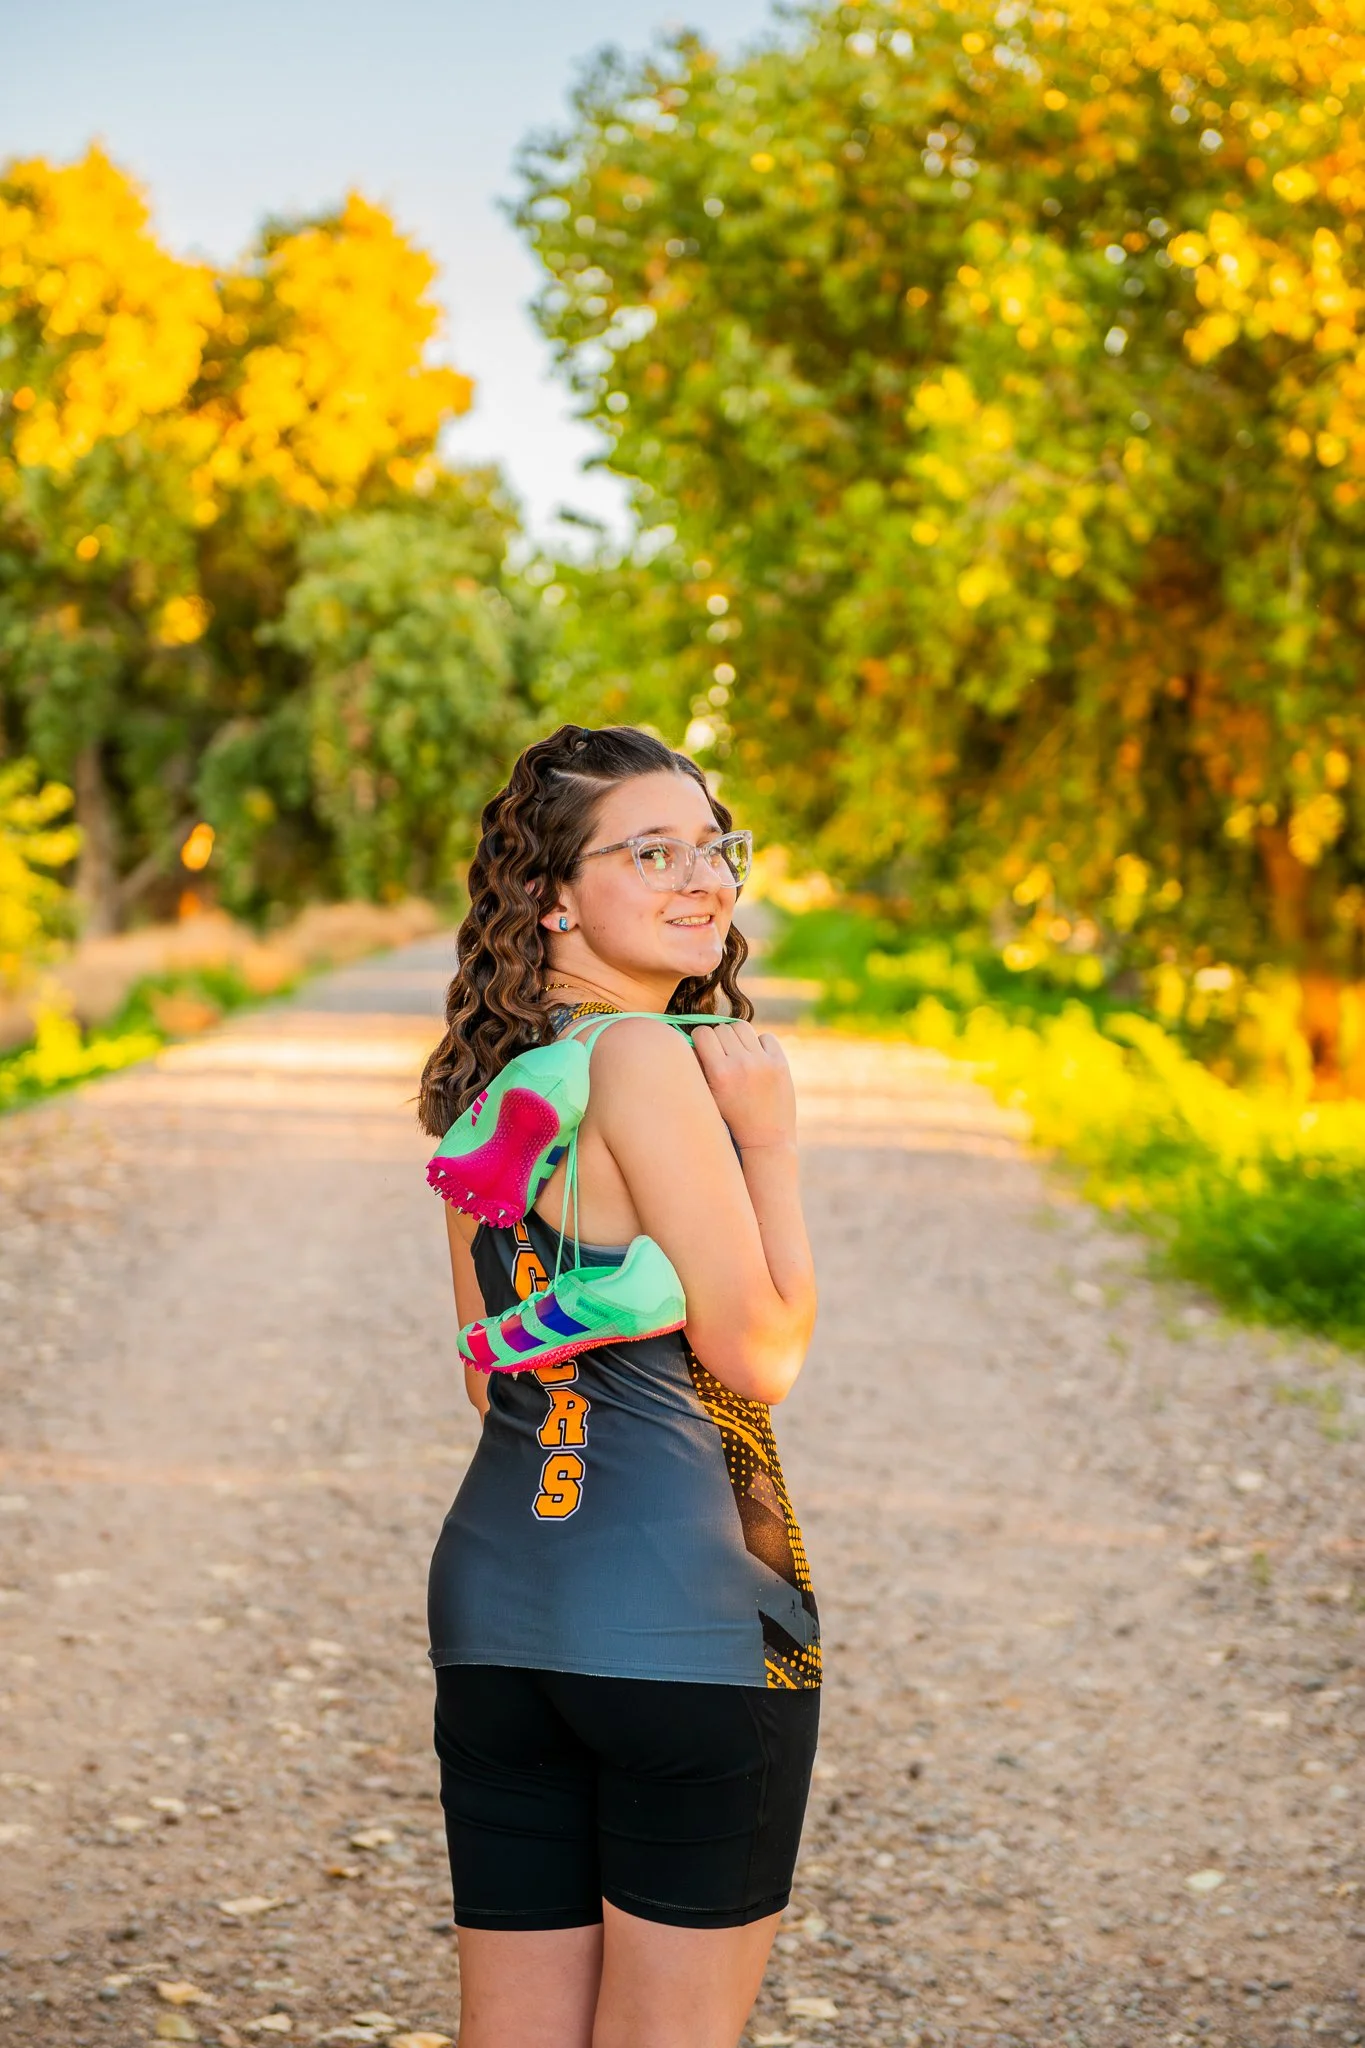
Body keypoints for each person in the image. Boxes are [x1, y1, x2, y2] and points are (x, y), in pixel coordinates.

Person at [417, 722, 821, 2048]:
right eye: (651, 851)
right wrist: (768, 1147)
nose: (700, 875)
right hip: (693, 1616)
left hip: (496, 1605)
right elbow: (762, 1353)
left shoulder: (492, 1094)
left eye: (712, 846)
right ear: (553, 896)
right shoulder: (651, 1059)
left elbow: (494, 1382)